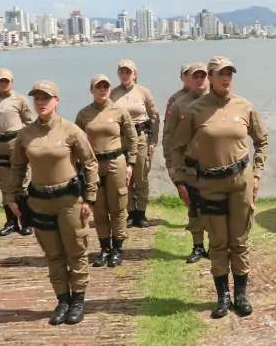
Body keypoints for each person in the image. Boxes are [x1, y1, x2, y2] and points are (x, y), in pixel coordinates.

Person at [169, 56, 269, 319]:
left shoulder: (244, 106)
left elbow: (262, 141)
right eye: (220, 73)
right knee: (218, 242)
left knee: (239, 240)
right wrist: (183, 180)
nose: (226, 78)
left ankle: (241, 295)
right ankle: (222, 297)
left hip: (240, 182)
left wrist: (256, 174)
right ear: (209, 78)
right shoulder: (195, 110)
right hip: (209, 183)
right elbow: (176, 148)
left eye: (229, 73)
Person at [7, 81, 99, 326]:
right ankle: (62, 300)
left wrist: (90, 198)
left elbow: (90, 163)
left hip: (69, 201)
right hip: (40, 202)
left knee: (76, 251)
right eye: (37, 98)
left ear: (56, 100)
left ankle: (78, 300)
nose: (41, 102)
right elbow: (16, 168)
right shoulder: (25, 134)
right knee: (53, 255)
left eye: (46, 98)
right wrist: (12, 197)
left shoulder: (71, 130)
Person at [75, 74, 138, 268]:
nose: (102, 90)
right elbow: (75, 141)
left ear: (110, 89)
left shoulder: (119, 111)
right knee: (99, 208)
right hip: (94, 164)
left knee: (118, 206)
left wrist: (131, 163)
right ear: (91, 90)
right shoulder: (84, 114)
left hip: (115, 161)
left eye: (105, 86)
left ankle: (118, 248)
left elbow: (132, 138)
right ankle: (105, 248)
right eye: (98, 87)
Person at [163, 62, 209, 263]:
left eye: (203, 76)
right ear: (187, 79)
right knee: (194, 207)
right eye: (194, 76)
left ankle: (216, 246)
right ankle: (198, 246)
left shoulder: (215, 102)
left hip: (214, 164)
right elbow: (169, 137)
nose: (199, 80)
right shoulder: (178, 104)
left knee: (216, 208)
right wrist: (171, 165)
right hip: (189, 166)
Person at [0, 68, 35, 237]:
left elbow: (31, 123)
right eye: (0, 81)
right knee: (5, 185)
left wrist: (28, 145)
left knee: (22, 184)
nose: (3, 83)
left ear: (12, 82)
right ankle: (11, 222)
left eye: (6, 81)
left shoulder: (20, 100)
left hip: (16, 144)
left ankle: (26, 221)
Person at [111, 59, 159, 228]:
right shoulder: (113, 93)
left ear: (134, 74)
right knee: (125, 178)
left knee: (141, 176)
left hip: (140, 139)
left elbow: (154, 116)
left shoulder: (143, 92)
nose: (125, 75)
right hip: (120, 140)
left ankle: (141, 212)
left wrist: (153, 141)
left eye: (128, 72)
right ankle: (131, 212)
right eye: (122, 72)